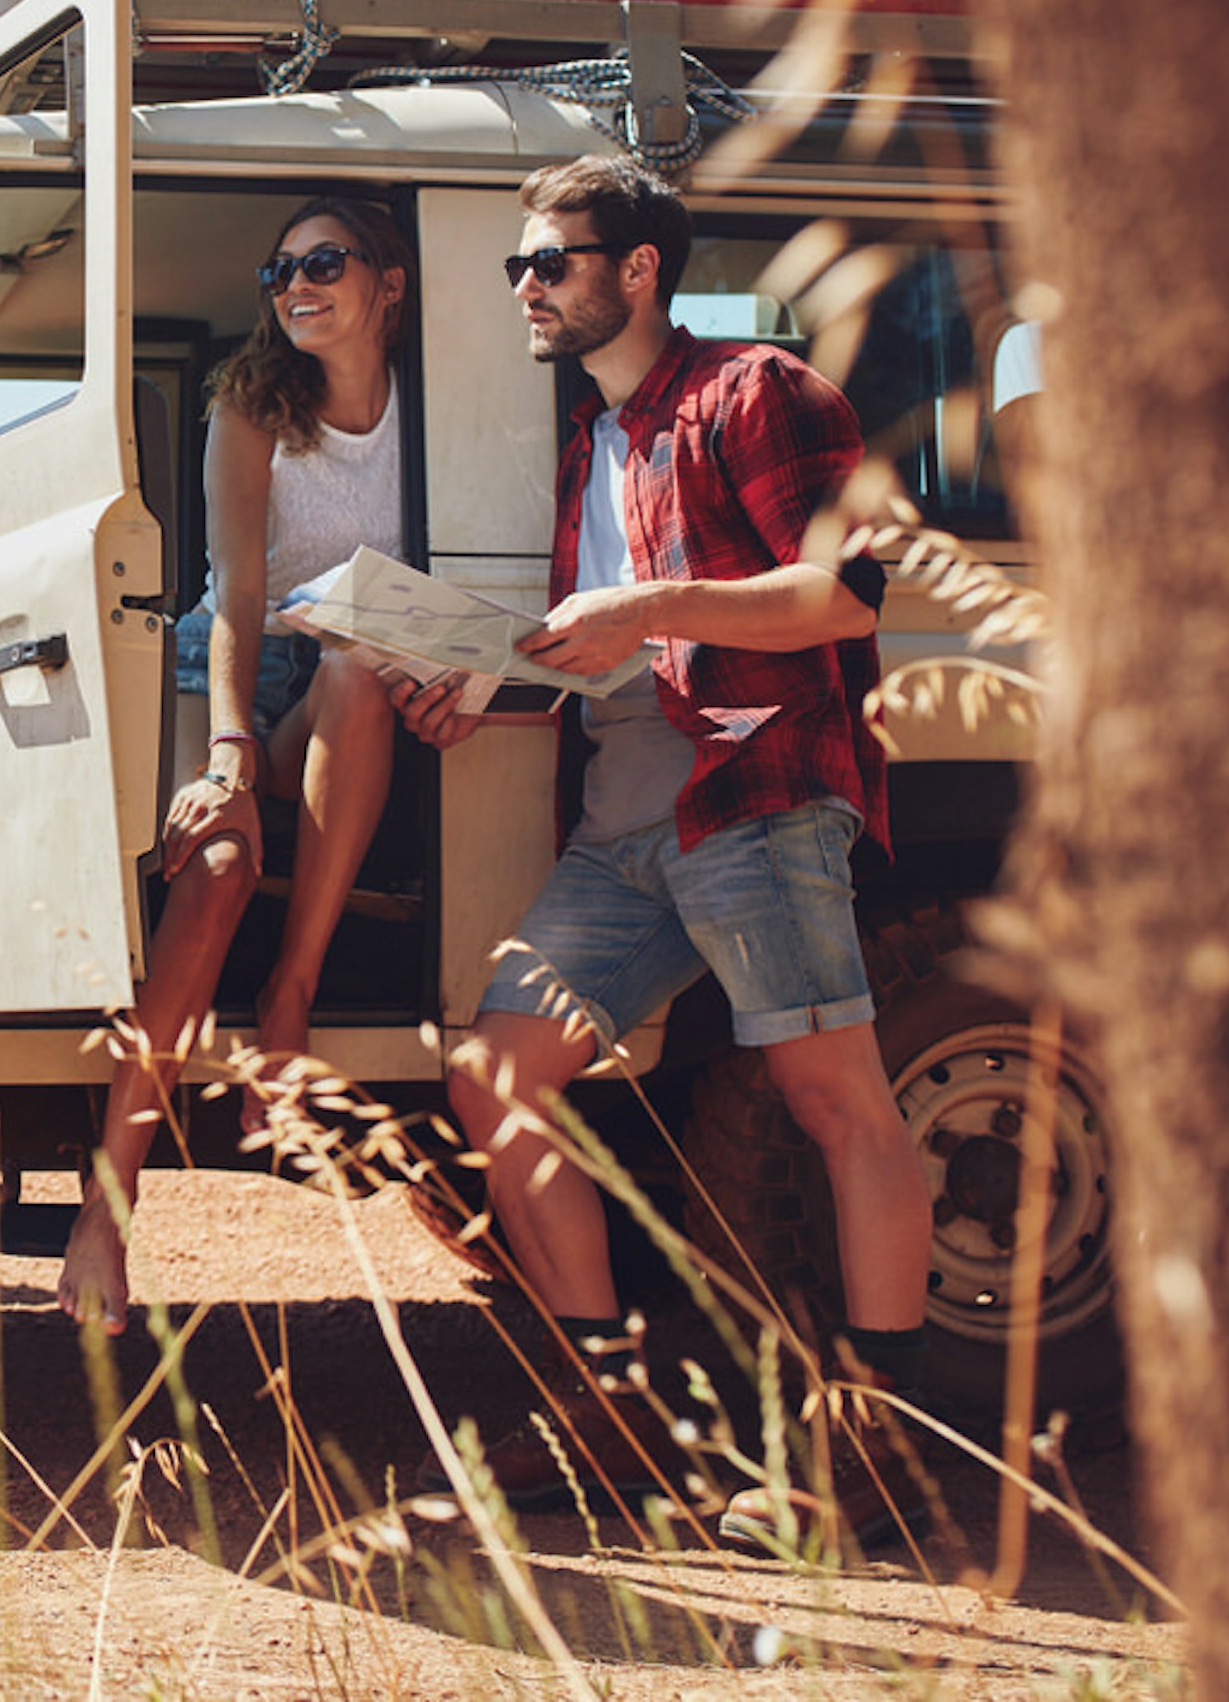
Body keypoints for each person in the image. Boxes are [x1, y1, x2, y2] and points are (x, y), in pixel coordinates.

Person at [393, 155, 932, 1547]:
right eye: (519, 262)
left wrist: (645, 599)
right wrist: (491, 687)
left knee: (838, 1103)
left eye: (551, 260)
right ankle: (612, 1409)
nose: (527, 283)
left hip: (754, 794)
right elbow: (623, 653)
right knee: (499, 1074)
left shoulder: (756, 392)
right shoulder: (595, 438)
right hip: (628, 821)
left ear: (638, 268)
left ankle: (881, 1450)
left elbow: (843, 594)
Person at [54, 194, 410, 1331]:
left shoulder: (447, 410)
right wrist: (228, 753)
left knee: (357, 667)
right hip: (238, 668)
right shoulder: (251, 407)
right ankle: (107, 1208)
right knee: (209, 864)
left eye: (324, 261)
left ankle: (288, 998)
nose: (295, 285)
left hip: (373, 668)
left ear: (387, 282)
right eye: (279, 270)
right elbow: (239, 602)